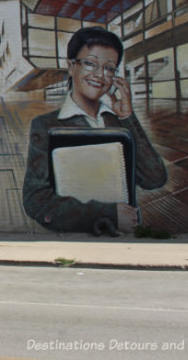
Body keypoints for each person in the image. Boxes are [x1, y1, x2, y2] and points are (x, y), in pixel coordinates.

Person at [22, 27, 167, 234]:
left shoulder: (117, 121)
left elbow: (155, 179)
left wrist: (128, 117)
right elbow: (35, 200)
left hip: (127, 239)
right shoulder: (46, 125)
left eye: (109, 68)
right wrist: (109, 213)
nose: (99, 75)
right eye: (90, 63)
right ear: (71, 66)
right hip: (78, 238)